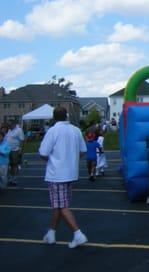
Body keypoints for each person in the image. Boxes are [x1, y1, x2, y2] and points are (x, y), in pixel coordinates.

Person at [39, 106, 88, 248]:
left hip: (57, 174)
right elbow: (83, 151)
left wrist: (55, 160)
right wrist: (71, 160)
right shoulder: (76, 130)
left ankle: (78, 234)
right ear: (66, 116)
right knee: (58, 205)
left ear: (54, 117)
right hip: (71, 173)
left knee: (61, 205)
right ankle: (51, 233)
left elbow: (43, 153)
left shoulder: (52, 131)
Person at [6, 120, 25, 186]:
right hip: (8, 150)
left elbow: (22, 140)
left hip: (15, 150)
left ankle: (15, 180)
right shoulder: (9, 130)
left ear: (14, 124)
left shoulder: (19, 130)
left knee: (15, 165)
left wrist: (20, 149)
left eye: (10, 124)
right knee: (10, 165)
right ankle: (10, 179)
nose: (9, 126)